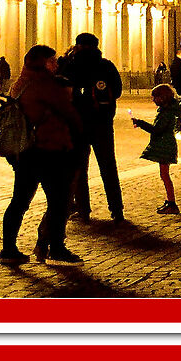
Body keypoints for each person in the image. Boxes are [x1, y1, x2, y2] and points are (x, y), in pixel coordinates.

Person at [0, 45, 82, 265]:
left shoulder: (20, 83)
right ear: (42, 62)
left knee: (20, 200)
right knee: (59, 201)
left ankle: (8, 249)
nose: (55, 65)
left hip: (26, 150)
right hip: (49, 149)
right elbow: (69, 113)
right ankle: (56, 247)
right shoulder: (45, 84)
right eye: (52, 61)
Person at [62, 32, 124, 222]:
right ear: (97, 46)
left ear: (77, 45)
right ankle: (116, 209)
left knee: (79, 169)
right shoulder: (106, 65)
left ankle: (83, 209)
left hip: (76, 123)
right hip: (102, 123)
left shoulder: (69, 65)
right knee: (108, 167)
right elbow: (118, 91)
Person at [132, 83, 181, 214]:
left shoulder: (166, 113)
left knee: (165, 175)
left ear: (162, 98)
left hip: (165, 145)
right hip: (165, 143)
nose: (153, 100)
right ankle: (170, 201)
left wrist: (141, 123)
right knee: (164, 174)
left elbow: (157, 130)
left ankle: (172, 203)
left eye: (155, 97)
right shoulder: (167, 111)